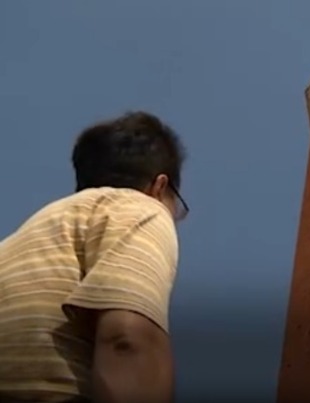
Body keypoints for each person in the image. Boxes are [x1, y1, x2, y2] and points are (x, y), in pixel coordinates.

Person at [0, 111, 188, 403]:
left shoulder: (20, 240)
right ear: (159, 186)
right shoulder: (140, 209)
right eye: (177, 205)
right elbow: (127, 339)